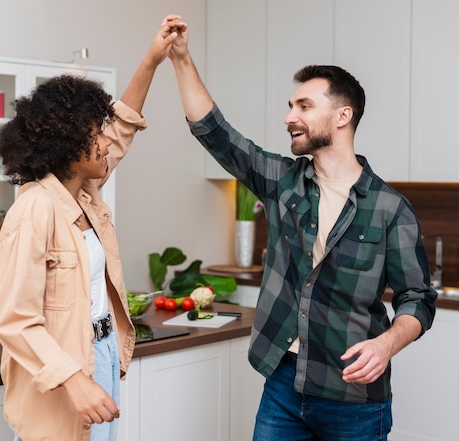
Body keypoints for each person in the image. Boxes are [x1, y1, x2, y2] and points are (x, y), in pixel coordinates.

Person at [163, 16, 437, 441]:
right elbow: (216, 133)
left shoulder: (390, 209)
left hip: (354, 397)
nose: (290, 116)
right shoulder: (282, 181)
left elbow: (417, 298)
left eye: (304, 106)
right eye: (291, 106)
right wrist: (180, 58)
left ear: (343, 115)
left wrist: (387, 344)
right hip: (283, 385)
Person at [0, 20, 183, 441]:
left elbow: (124, 125)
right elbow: (15, 322)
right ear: (70, 146)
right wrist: (74, 380)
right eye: (95, 132)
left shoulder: (84, 193)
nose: (104, 142)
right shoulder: (34, 211)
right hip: (63, 369)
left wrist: (152, 59)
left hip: (102, 352)